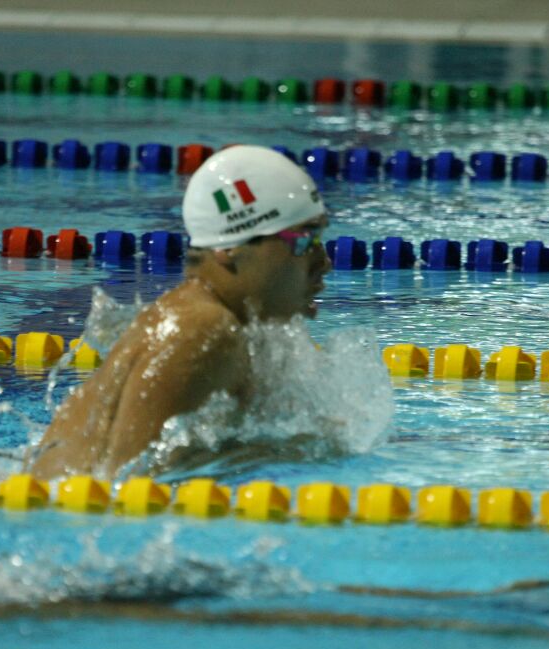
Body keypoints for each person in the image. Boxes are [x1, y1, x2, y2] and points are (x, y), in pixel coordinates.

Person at [29, 145, 330, 479]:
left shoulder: (227, 324)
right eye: (304, 241)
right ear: (229, 248)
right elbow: (123, 489)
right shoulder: (200, 329)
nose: (323, 262)